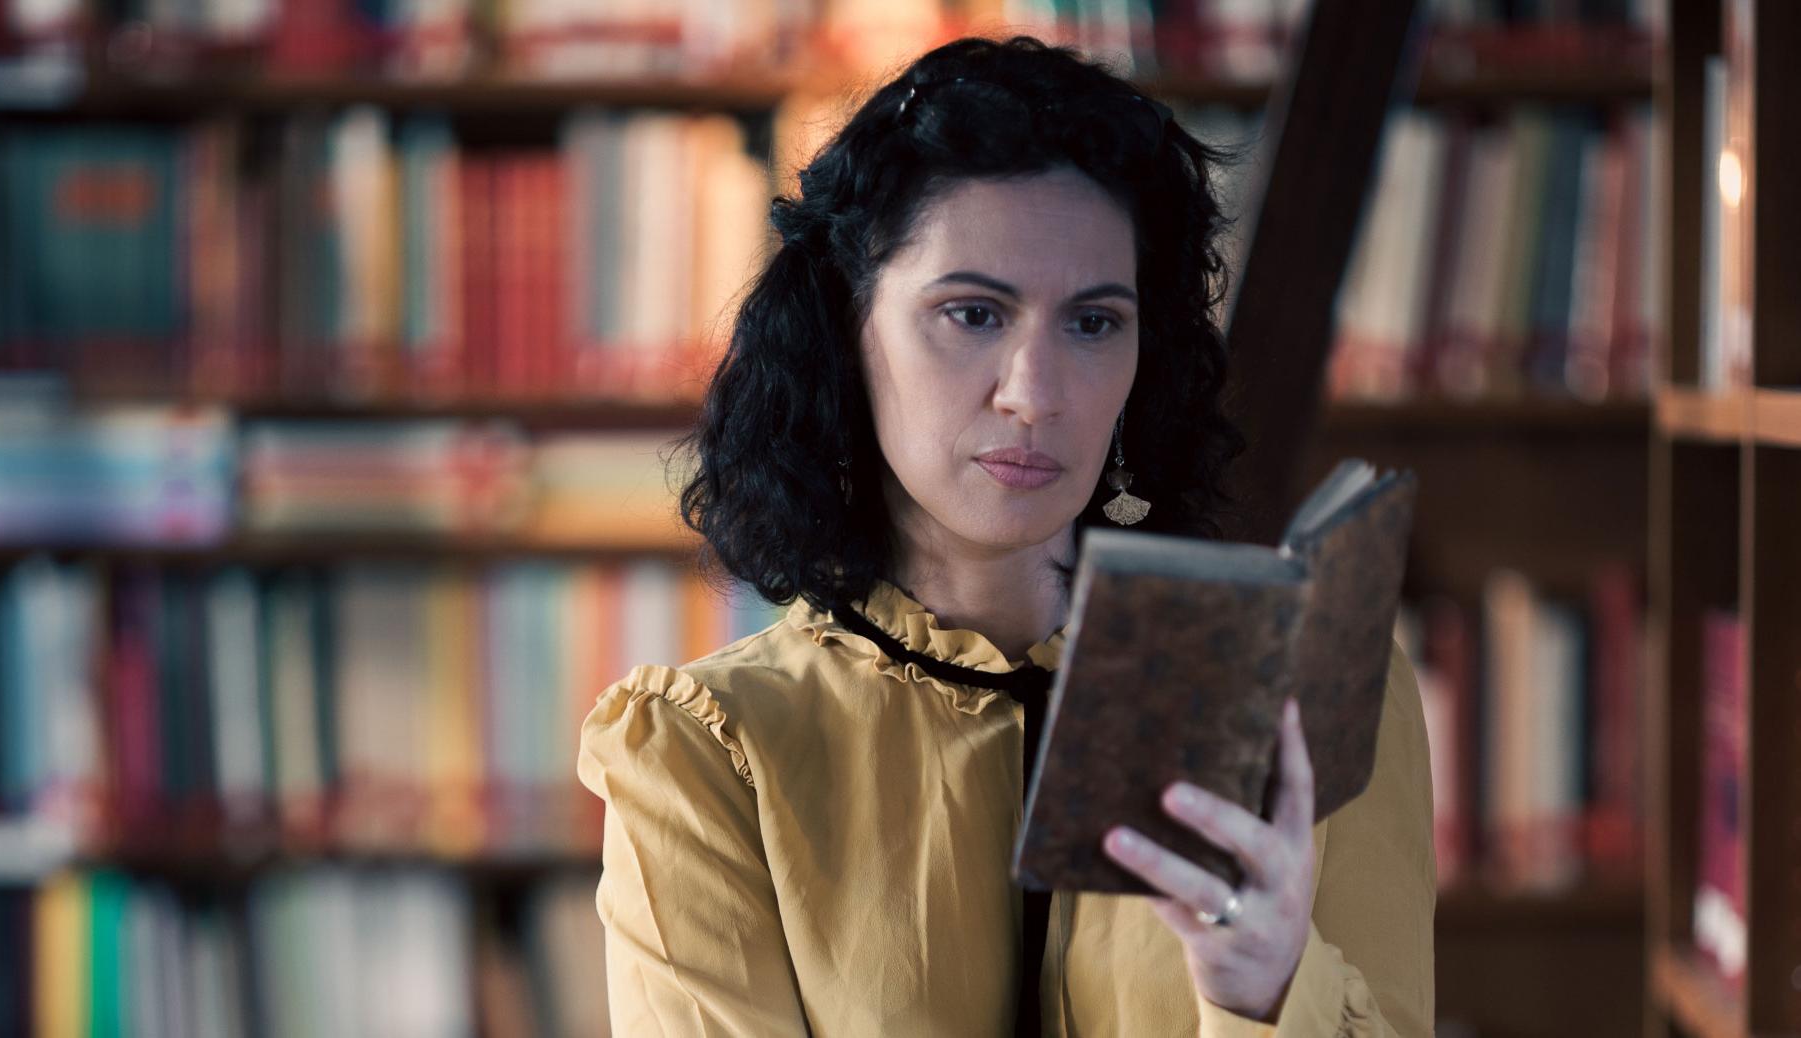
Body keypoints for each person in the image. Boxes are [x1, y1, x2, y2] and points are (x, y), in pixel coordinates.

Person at [575, 33, 1435, 1037]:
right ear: (845, 332)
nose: (1036, 395)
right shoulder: (703, 757)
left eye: (1094, 324)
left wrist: (1263, 992)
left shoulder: (1305, 690)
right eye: (974, 314)